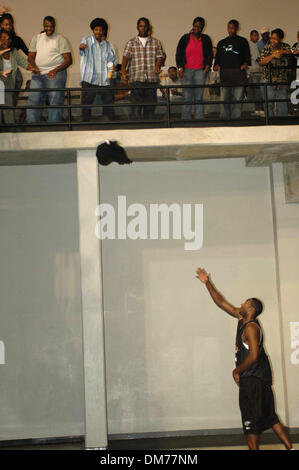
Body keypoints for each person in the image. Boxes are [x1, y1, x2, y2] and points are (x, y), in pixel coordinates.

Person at [196, 267, 295, 451]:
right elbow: (221, 303)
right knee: (271, 418)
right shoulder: (242, 318)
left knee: (250, 425)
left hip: (252, 381)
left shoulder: (250, 328)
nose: (241, 303)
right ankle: (290, 448)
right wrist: (207, 282)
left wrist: (236, 370)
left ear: (250, 309)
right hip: (260, 381)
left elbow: (254, 355)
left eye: (245, 302)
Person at [26, 16, 72, 124]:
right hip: (38, 74)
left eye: (51, 26)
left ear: (55, 26)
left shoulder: (61, 39)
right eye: (47, 26)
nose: (49, 28)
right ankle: (31, 126)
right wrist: (35, 67)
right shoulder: (36, 38)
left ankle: (54, 126)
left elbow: (68, 59)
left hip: (55, 74)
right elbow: (30, 56)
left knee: (55, 101)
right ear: (43, 26)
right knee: (33, 99)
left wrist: (55, 70)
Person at [121, 17, 164, 121]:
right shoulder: (131, 42)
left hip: (151, 79)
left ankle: (149, 130)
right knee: (136, 108)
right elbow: (125, 58)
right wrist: (123, 72)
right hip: (136, 79)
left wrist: (157, 66)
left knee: (150, 109)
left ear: (148, 27)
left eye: (145, 26)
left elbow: (159, 57)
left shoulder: (156, 42)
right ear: (137, 27)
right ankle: (136, 129)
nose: (143, 28)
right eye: (141, 26)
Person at [80, 18, 117, 122]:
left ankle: (109, 126)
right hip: (89, 79)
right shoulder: (86, 41)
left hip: (105, 80)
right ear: (93, 30)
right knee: (86, 106)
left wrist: (112, 68)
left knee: (109, 106)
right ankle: (85, 126)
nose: (98, 32)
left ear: (104, 31)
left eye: (100, 30)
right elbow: (81, 51)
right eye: (96, 29)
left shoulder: (109, 46)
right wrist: (81, 48)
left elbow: (111, 62)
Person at [176, 17, 213, 120]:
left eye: (199, 26)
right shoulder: (185, 38)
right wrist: (180, 68)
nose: (197, 28)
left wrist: (207, 66)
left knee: (198, 97)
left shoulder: (206, 39)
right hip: (186, 71)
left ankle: (199, 118)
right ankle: (185, 119)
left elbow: (210, 54)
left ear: (202, 28)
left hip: (200, 71)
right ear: (192, 26)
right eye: (195, 26)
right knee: (186, 97)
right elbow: (179, 53)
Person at [214, 19, 251, 120]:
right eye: (229, 28)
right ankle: (224, 121)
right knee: (224, 101)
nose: (230, 30)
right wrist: (216, 66)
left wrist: (244, 66)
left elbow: (247, 58)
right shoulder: (221, 43)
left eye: (232, 28)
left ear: (237, 28)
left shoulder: (243, 41)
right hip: (225, 76)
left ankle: (236, 120)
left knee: (238, 101)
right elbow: (217, 60)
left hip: (239, 76)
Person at [259, 28, 291, 117]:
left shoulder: (285, 46)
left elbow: (293, 51)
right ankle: (270, 124)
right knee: (269, 104)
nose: (272, 40)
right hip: (268, 80)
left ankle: (282, 123)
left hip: (281, 80)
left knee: (282, 104)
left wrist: (282, 52)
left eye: (275, 39)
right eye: (271, 38)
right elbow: (261, 62)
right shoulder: (266, 48)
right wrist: (272, 55)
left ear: (280, 39)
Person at [0, 29, 29, 124]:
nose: (6, 41)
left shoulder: (13, 52)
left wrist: (35, 68)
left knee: (8, 107)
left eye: (8, 39)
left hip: (9, 84)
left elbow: (24, 63)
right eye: (3, 38)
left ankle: (9, 129)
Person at [0, 13, 28, 107]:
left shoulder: (16, 40)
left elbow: (28, 53)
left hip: (12, 67)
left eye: (10, 24)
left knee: (18, 79)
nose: (8, 27)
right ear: (1, 25)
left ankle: (11, 103)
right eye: (6, 24)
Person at [248, 30, 264, 116]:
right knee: (258, 91)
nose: (256, 37)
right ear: (250, 36)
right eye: (254, 35)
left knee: (256, 91)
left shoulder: (251, 45)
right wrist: (265, 62)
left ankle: (257, 109)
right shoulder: (253, 45)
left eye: (257, 36)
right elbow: (257, 59)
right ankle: (258, 109)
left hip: (253, 71)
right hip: (256, 71)